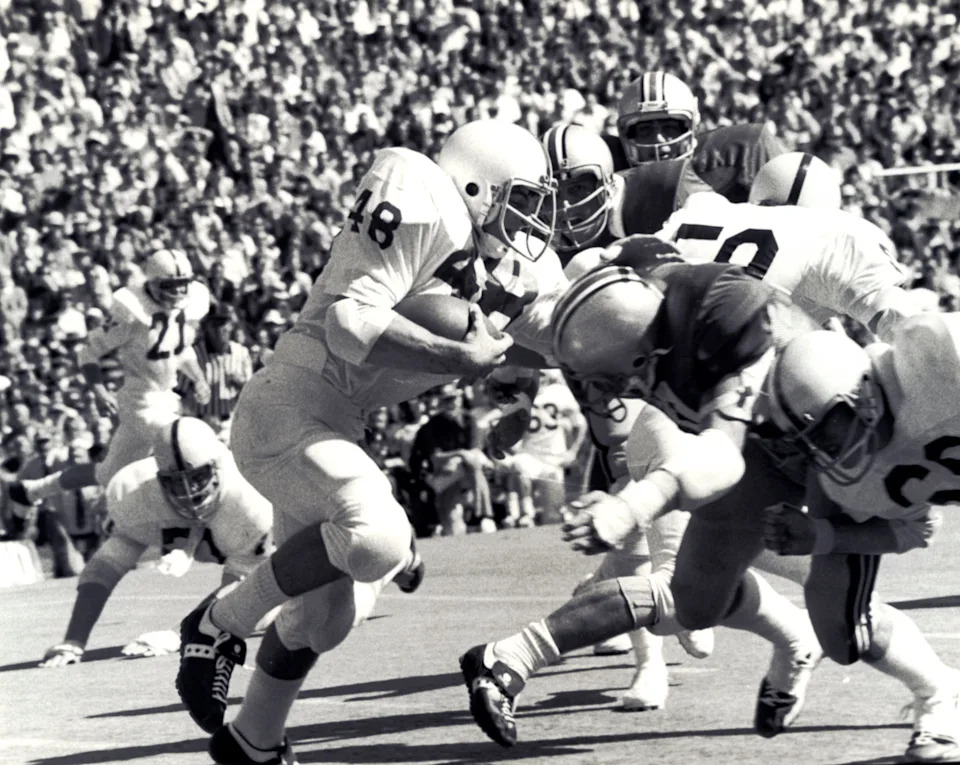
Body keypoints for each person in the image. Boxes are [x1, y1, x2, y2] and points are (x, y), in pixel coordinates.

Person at [174, 119, 567, 765]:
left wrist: (541, 385)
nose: (530, 216)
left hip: (340, 425)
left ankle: (253, 742)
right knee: (378, 536)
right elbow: (348, 321)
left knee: (325, 620)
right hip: (291, 402)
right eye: (520, 197)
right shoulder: (421, 193)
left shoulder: (494, 264)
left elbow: (530, 341)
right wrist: (455, 353)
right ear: (475, 184)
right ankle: (220, 623)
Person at [461, 257, 823, 748]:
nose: (600, 393)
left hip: (788, 436)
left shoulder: (718, 313)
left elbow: (724, 450)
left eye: (607, 380)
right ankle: (519, 656)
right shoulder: (602, 310)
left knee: (837, 606)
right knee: (683, 593)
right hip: (686, 442)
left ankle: (841, 655)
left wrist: (631, 503)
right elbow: (533, 348)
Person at [760, 324, 960, 763]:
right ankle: (942, 690)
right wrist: (822, 534)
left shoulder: (938, 358)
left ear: (865, 393)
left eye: (829, 431)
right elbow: (915, 531)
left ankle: (940, 707)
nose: (829, 451)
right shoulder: (846, 480)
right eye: (814, 443)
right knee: (840, 633)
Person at [38, 417, 274, 667]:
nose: (188, 491)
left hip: (273, 558)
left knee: (271, 611)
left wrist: (180, 633)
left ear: (217, 467)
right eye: (174, 481)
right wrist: (74, 639)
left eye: (197, 477)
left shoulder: (250, 499)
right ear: (158, 477)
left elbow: (244, 588)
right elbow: (104, 567)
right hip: (215, 540)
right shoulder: (136, 490)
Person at [8, 249, 212, 504]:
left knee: (108, 473)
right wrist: (100, 391)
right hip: (141, 402)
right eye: (170, 286)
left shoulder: (183, 313)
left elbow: (179, 350)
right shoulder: (132, 314)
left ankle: (34, 489)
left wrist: (199, 378)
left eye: (182, 286)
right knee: (185, 443)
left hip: (167, 398)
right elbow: (88, 353)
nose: (178, 293)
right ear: (152, 283)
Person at [614, 71, 788, 201]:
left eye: (669, 128)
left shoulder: (740, 153)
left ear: (692, 127)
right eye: (645, 130)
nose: (659, 140)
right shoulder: (613, 184)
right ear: (625, 135)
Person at [182, 302, 254, 444]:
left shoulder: (242, 353)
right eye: (214, 324)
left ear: (231, 325)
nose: (220, 329)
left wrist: (241, 383)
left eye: (223, 323)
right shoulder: (194, 354)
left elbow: (251, 393)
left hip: (230, 422)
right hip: (202, 421)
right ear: (206, 327)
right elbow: (181, 393)